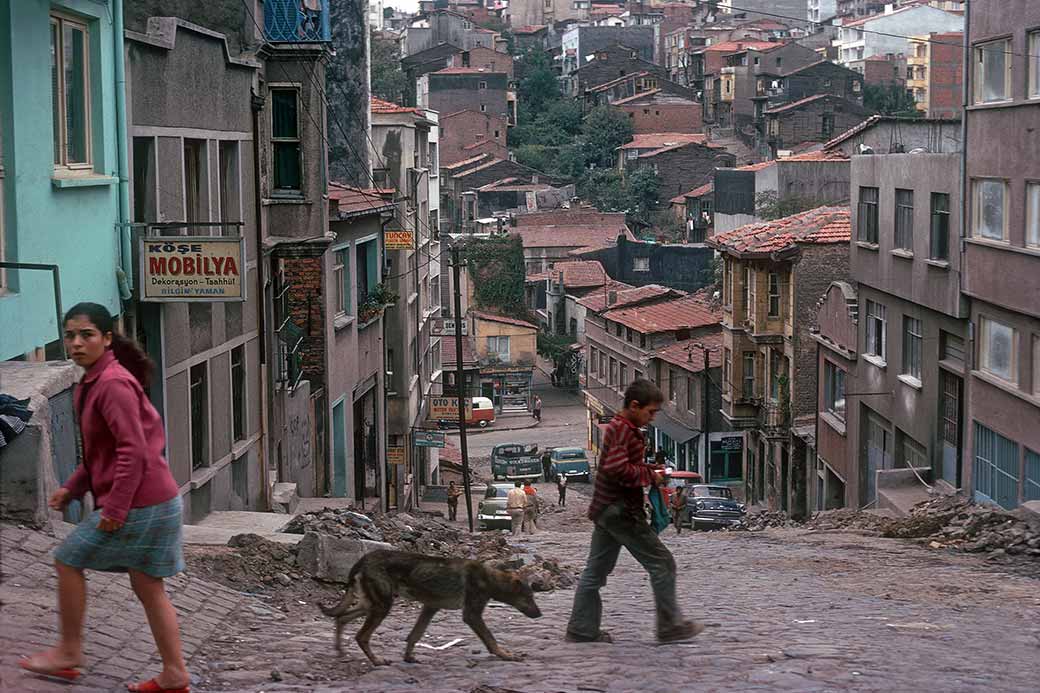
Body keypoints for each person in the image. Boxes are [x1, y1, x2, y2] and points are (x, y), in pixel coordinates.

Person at [19, 303, 190, 693]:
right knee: (148, 586)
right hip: (156, 501)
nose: (76, 343)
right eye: (70, 335)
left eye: (87, 335)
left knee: (67, 559)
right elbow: (103, 453)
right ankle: (175, 675)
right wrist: (74, 487)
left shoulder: (111, 384)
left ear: (107, 338)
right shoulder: (95, 380)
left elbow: (132, 450)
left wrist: (115, 507)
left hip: (141, 504)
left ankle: (69, 654)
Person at [565, 379, 704, 645]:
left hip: (606, 510)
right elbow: (617, 470)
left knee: (595, 572)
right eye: (650, 412)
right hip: (621, 511)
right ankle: (669, 626)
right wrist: (651, 477)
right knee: (662, 563)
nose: (651, 418)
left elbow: (625, 465)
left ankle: (581, 630)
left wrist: (650, 470)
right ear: (634, 405)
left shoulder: (622, 428)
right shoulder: (623, 430)